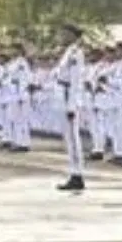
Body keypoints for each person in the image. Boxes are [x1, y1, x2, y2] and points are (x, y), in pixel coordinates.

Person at [54, 24, 87, 191]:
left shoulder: (76, 53)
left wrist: (72, 105)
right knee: (69, 139)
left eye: (65, 34)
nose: (62, 36)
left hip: (70, 98)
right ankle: (73, 172)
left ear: (73, 35)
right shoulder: (68, 52)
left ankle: (77, 175)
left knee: (74, 140)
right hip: (64, 96)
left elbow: (75, 80)